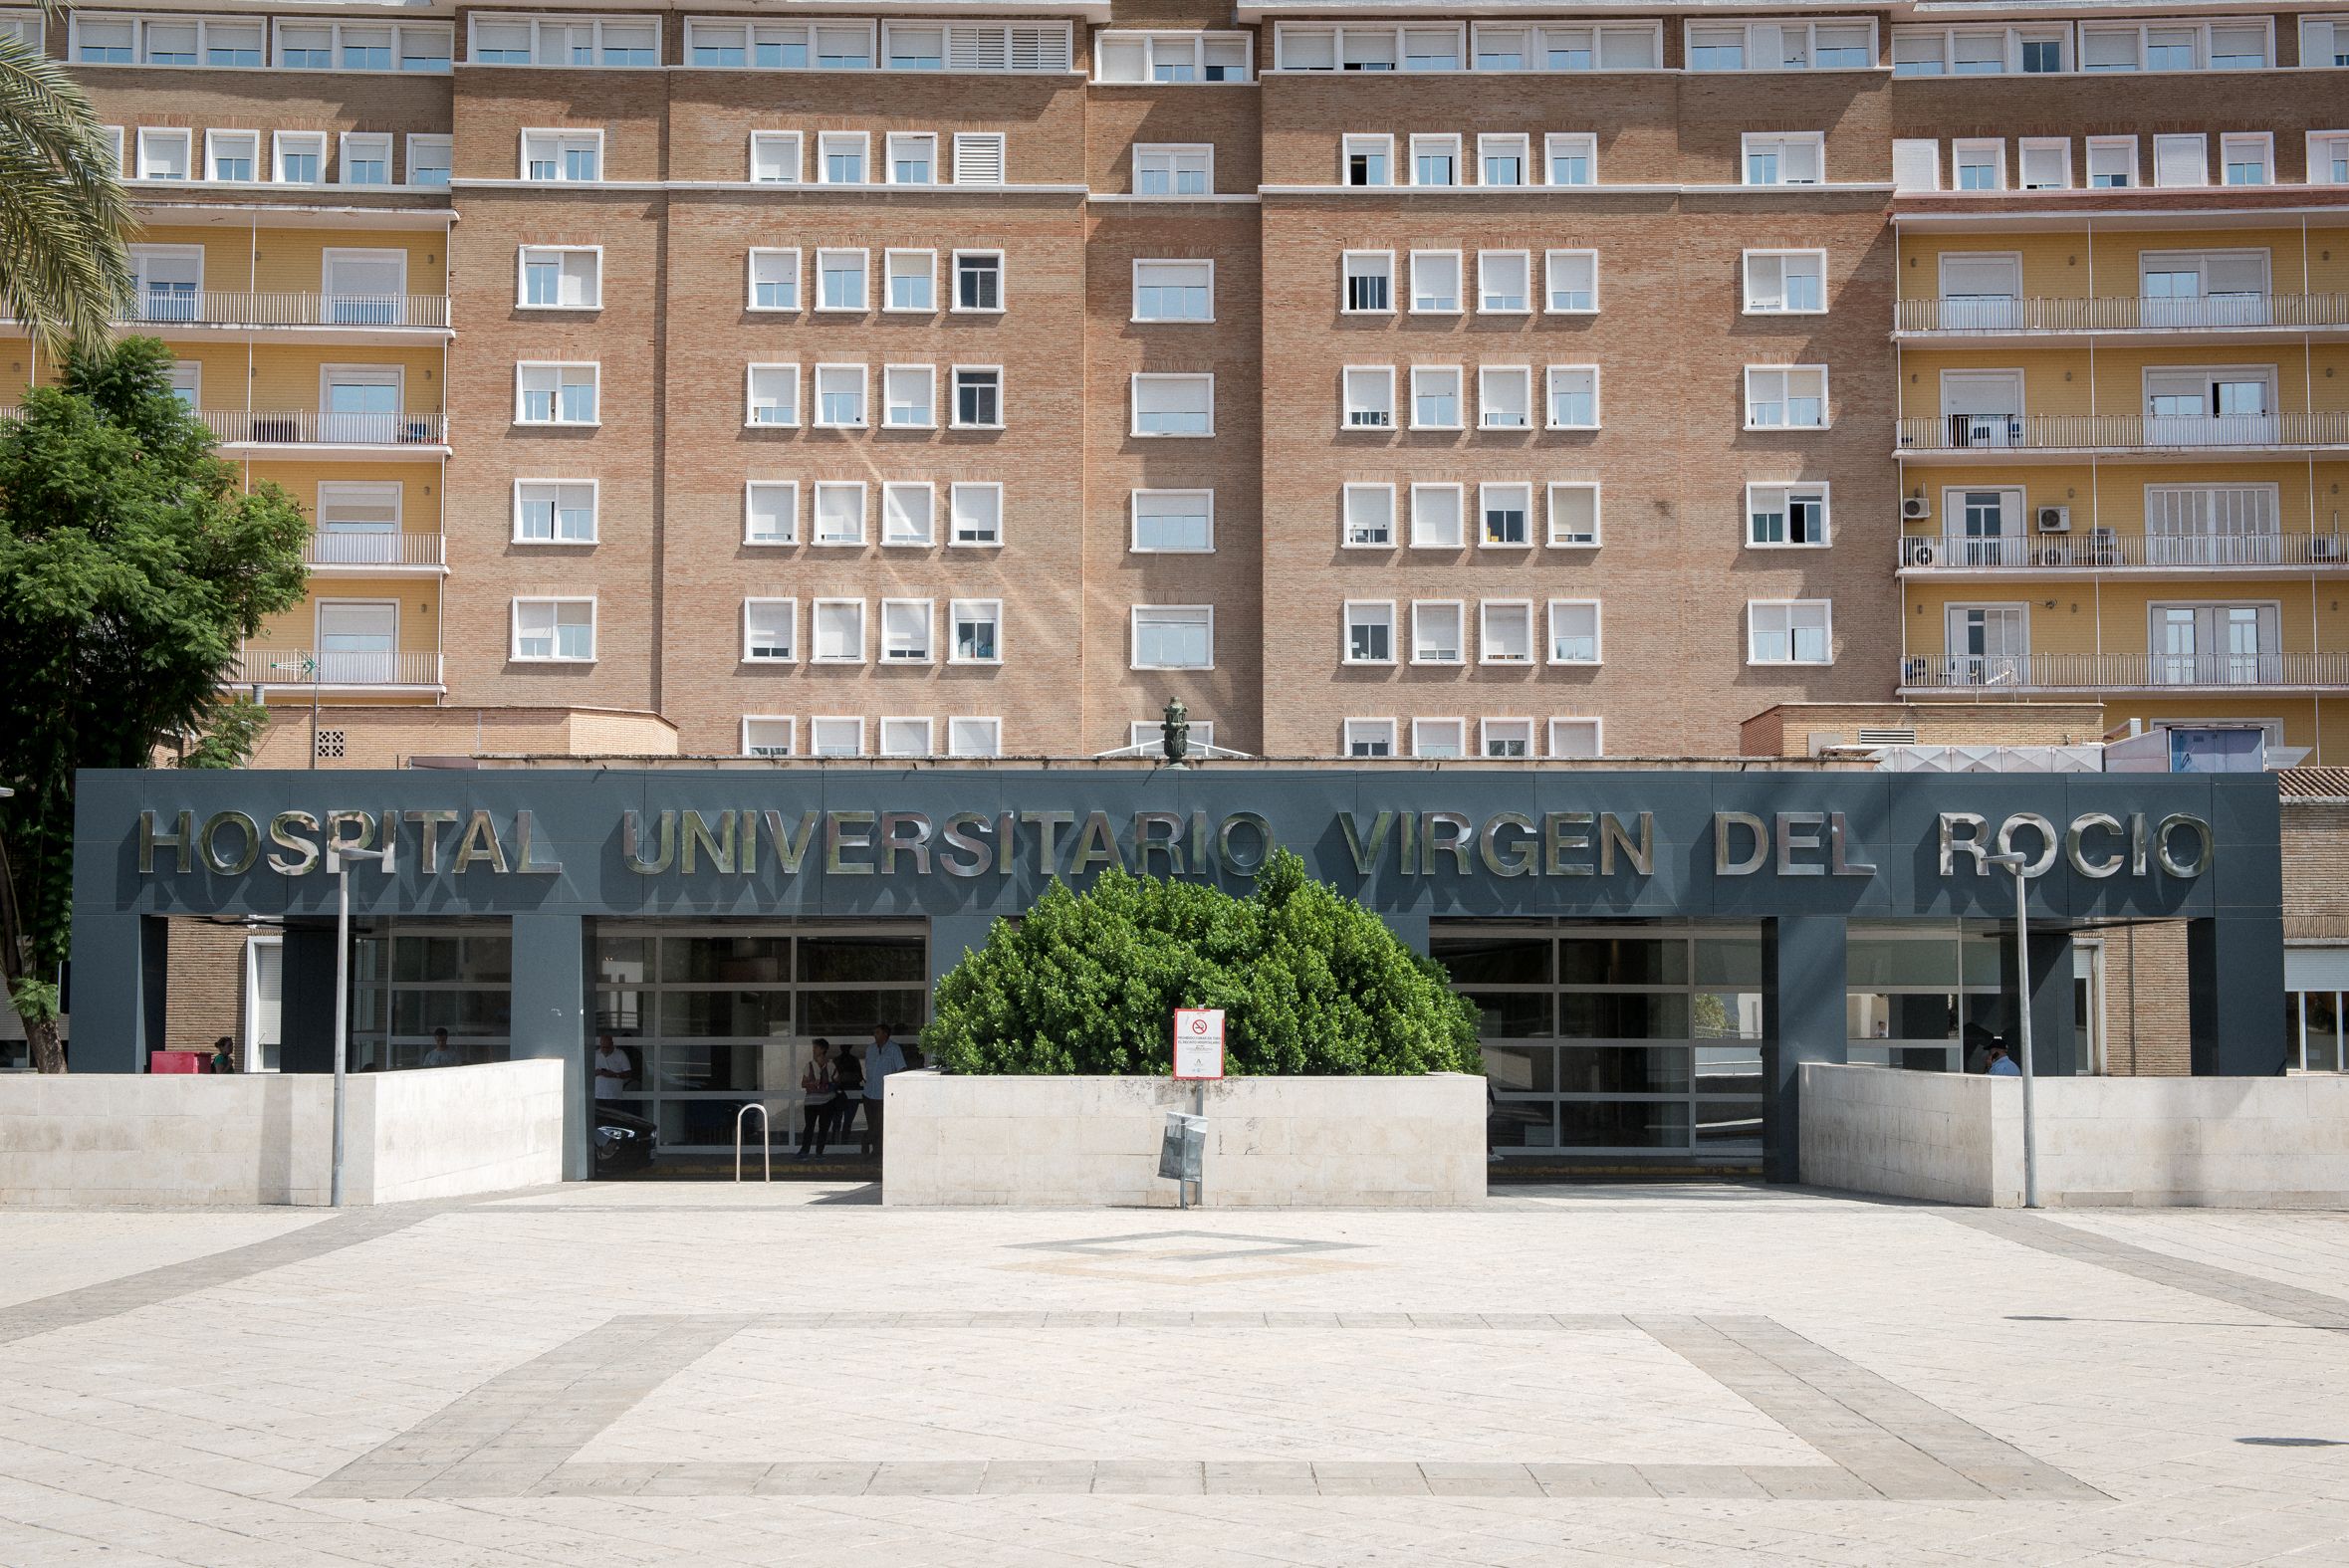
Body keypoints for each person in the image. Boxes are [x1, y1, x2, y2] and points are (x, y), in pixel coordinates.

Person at [861, 1022, 905, 1158]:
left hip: (884, 1095)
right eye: (875, 1033)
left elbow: (901, 1068)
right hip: (869, 1094)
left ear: (885, 1034)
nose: (875, 1035)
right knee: (872, 1123)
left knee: (879, 1125)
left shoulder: (894, 1049)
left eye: (878, 1033)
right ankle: (876, 1151)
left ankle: (866, 1141)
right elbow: (868, 1068)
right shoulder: (870, 1049)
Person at [799, 1040, 836, 1158]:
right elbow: (803, 1084)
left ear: (823, 1049)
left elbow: (837, 1081)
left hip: (827, 1102)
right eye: (813, 1047)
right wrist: (812, 1083)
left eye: (816, 1047)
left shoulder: (831, 1065)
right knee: (809, 1127)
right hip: (811, 1102)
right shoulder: (809, 1065)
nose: (813, 1049)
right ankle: (804, 1151)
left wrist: (827, 1083)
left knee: (823, 1128)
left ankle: (819, 1152)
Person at [828, 1038, 865, 1153]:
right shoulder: (837, 1060)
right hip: (840, 1094)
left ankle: (843, 1144)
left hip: (851, 1093)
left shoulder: (853, 1060)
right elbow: (833, 1077)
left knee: (846, 1122)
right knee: (838, 1121)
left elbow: (859, 1077)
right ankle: (836, 1143)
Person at [593, 1033, 633, 1100]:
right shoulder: (595, 1054)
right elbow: (586, 1073)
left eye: (607, 1047)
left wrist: (614, 1075)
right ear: (600, 1045)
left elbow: (628, 1073)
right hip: (597, 1095)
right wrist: (598, 1072)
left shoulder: (620, 1054)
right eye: (603, 1047)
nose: (605, 1049)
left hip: (614, 1095)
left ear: (612, 1044)